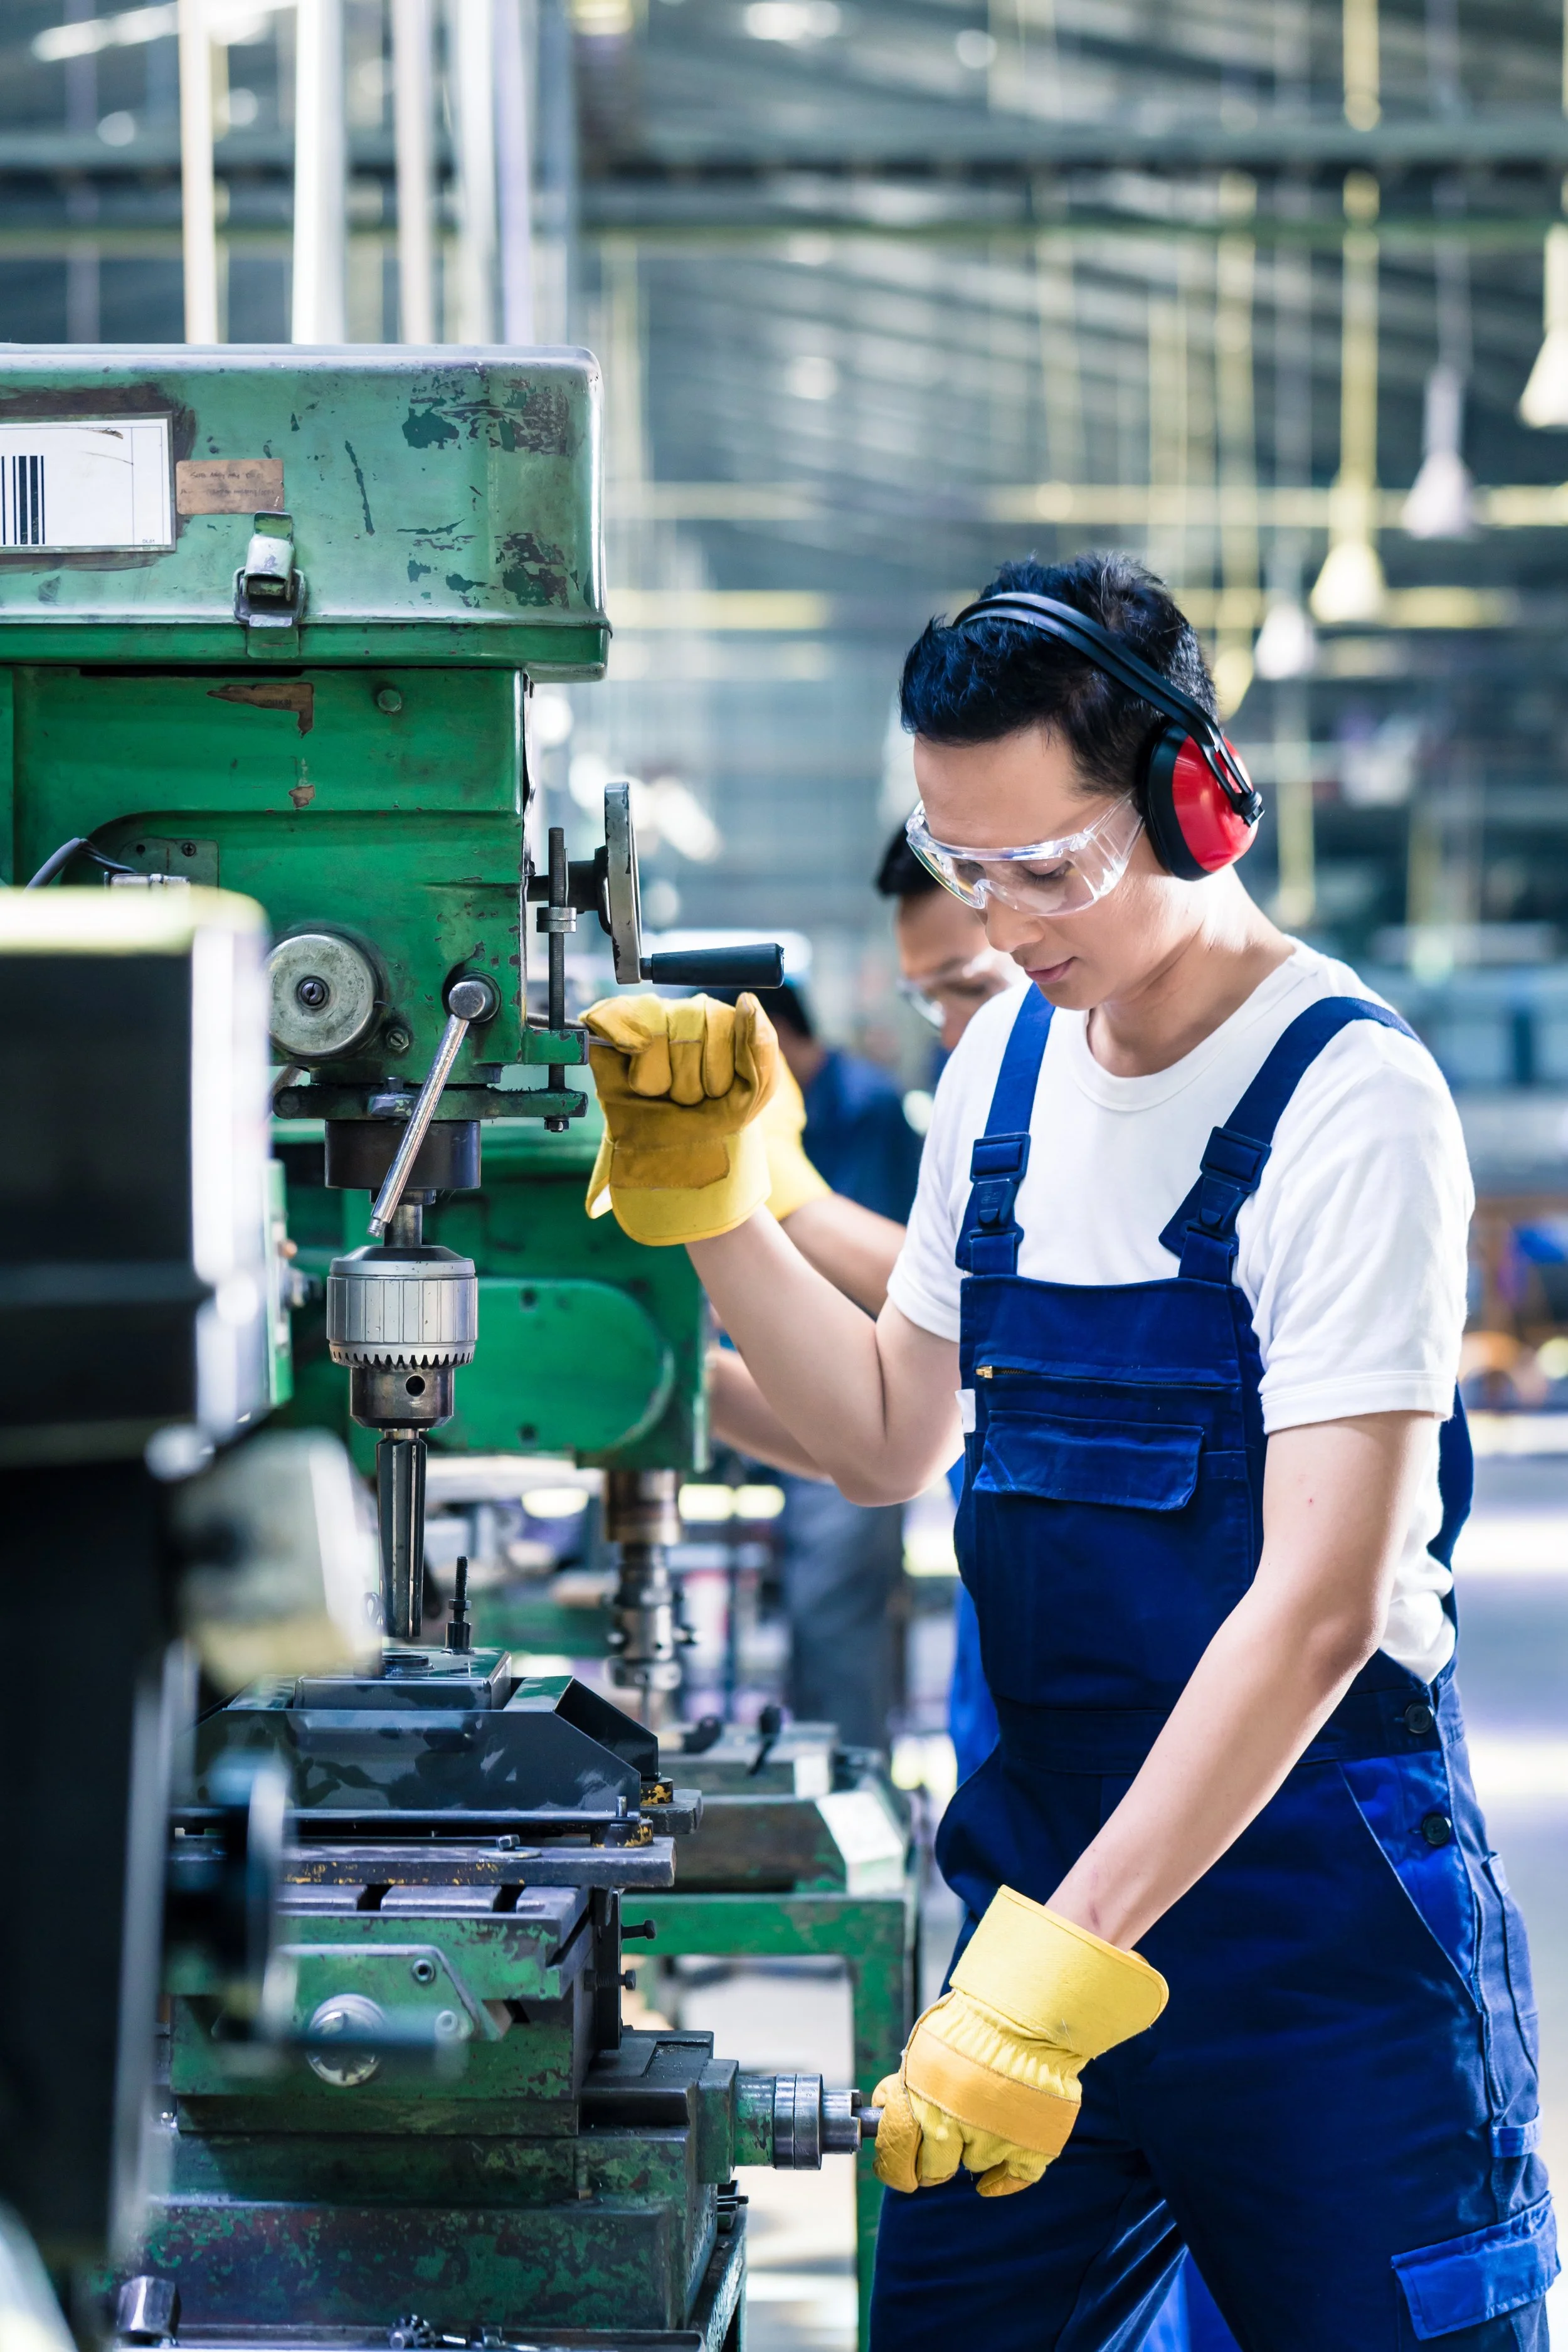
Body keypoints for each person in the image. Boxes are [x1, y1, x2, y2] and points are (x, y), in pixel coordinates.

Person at [581, 550, 1551, 2350]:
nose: (1010, 922)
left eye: (1050, 866)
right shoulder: (1012, 1072)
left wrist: (1047, 1980)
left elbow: (1318, 1601)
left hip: (1312, 1963)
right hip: (1043, 1913)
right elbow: (883, 1431)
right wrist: (714, 1199)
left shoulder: (1347, 1098)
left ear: (1198, 799)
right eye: (968, 869)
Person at [711, 978, 923, 1749]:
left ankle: (849, 1770)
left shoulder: (864, 1108)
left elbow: (870, 1286)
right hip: (768, 1369)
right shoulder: (775, 1110)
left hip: (868, 1382)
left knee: (834, 1592)